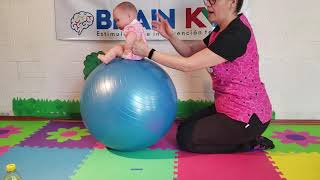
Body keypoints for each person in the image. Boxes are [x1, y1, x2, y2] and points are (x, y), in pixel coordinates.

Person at [132, 0, 275, 153]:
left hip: (248, 116)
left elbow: (188, 65)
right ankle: (244, 138)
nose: (207, 4)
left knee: (186, 139)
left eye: (213, 0)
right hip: (227, 107)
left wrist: (148, 52)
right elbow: (189, 51)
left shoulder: (237, 34)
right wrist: (170, 36)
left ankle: (249, 142)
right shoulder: (221, 31)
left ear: (232, 2)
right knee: (185, 126)